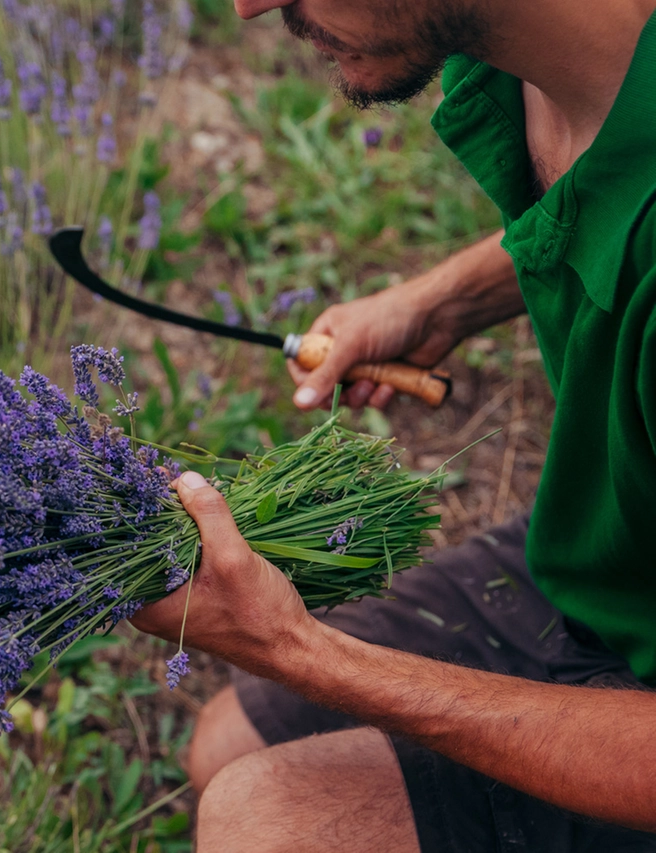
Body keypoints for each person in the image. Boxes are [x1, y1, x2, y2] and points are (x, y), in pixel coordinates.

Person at [130, 0, 656, 850]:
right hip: (614, 557)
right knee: (224, 743)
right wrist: (443, 298)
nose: (249, 6)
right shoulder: (551, 63)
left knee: (262, 824)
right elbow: (609, 187)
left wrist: (304, 651)